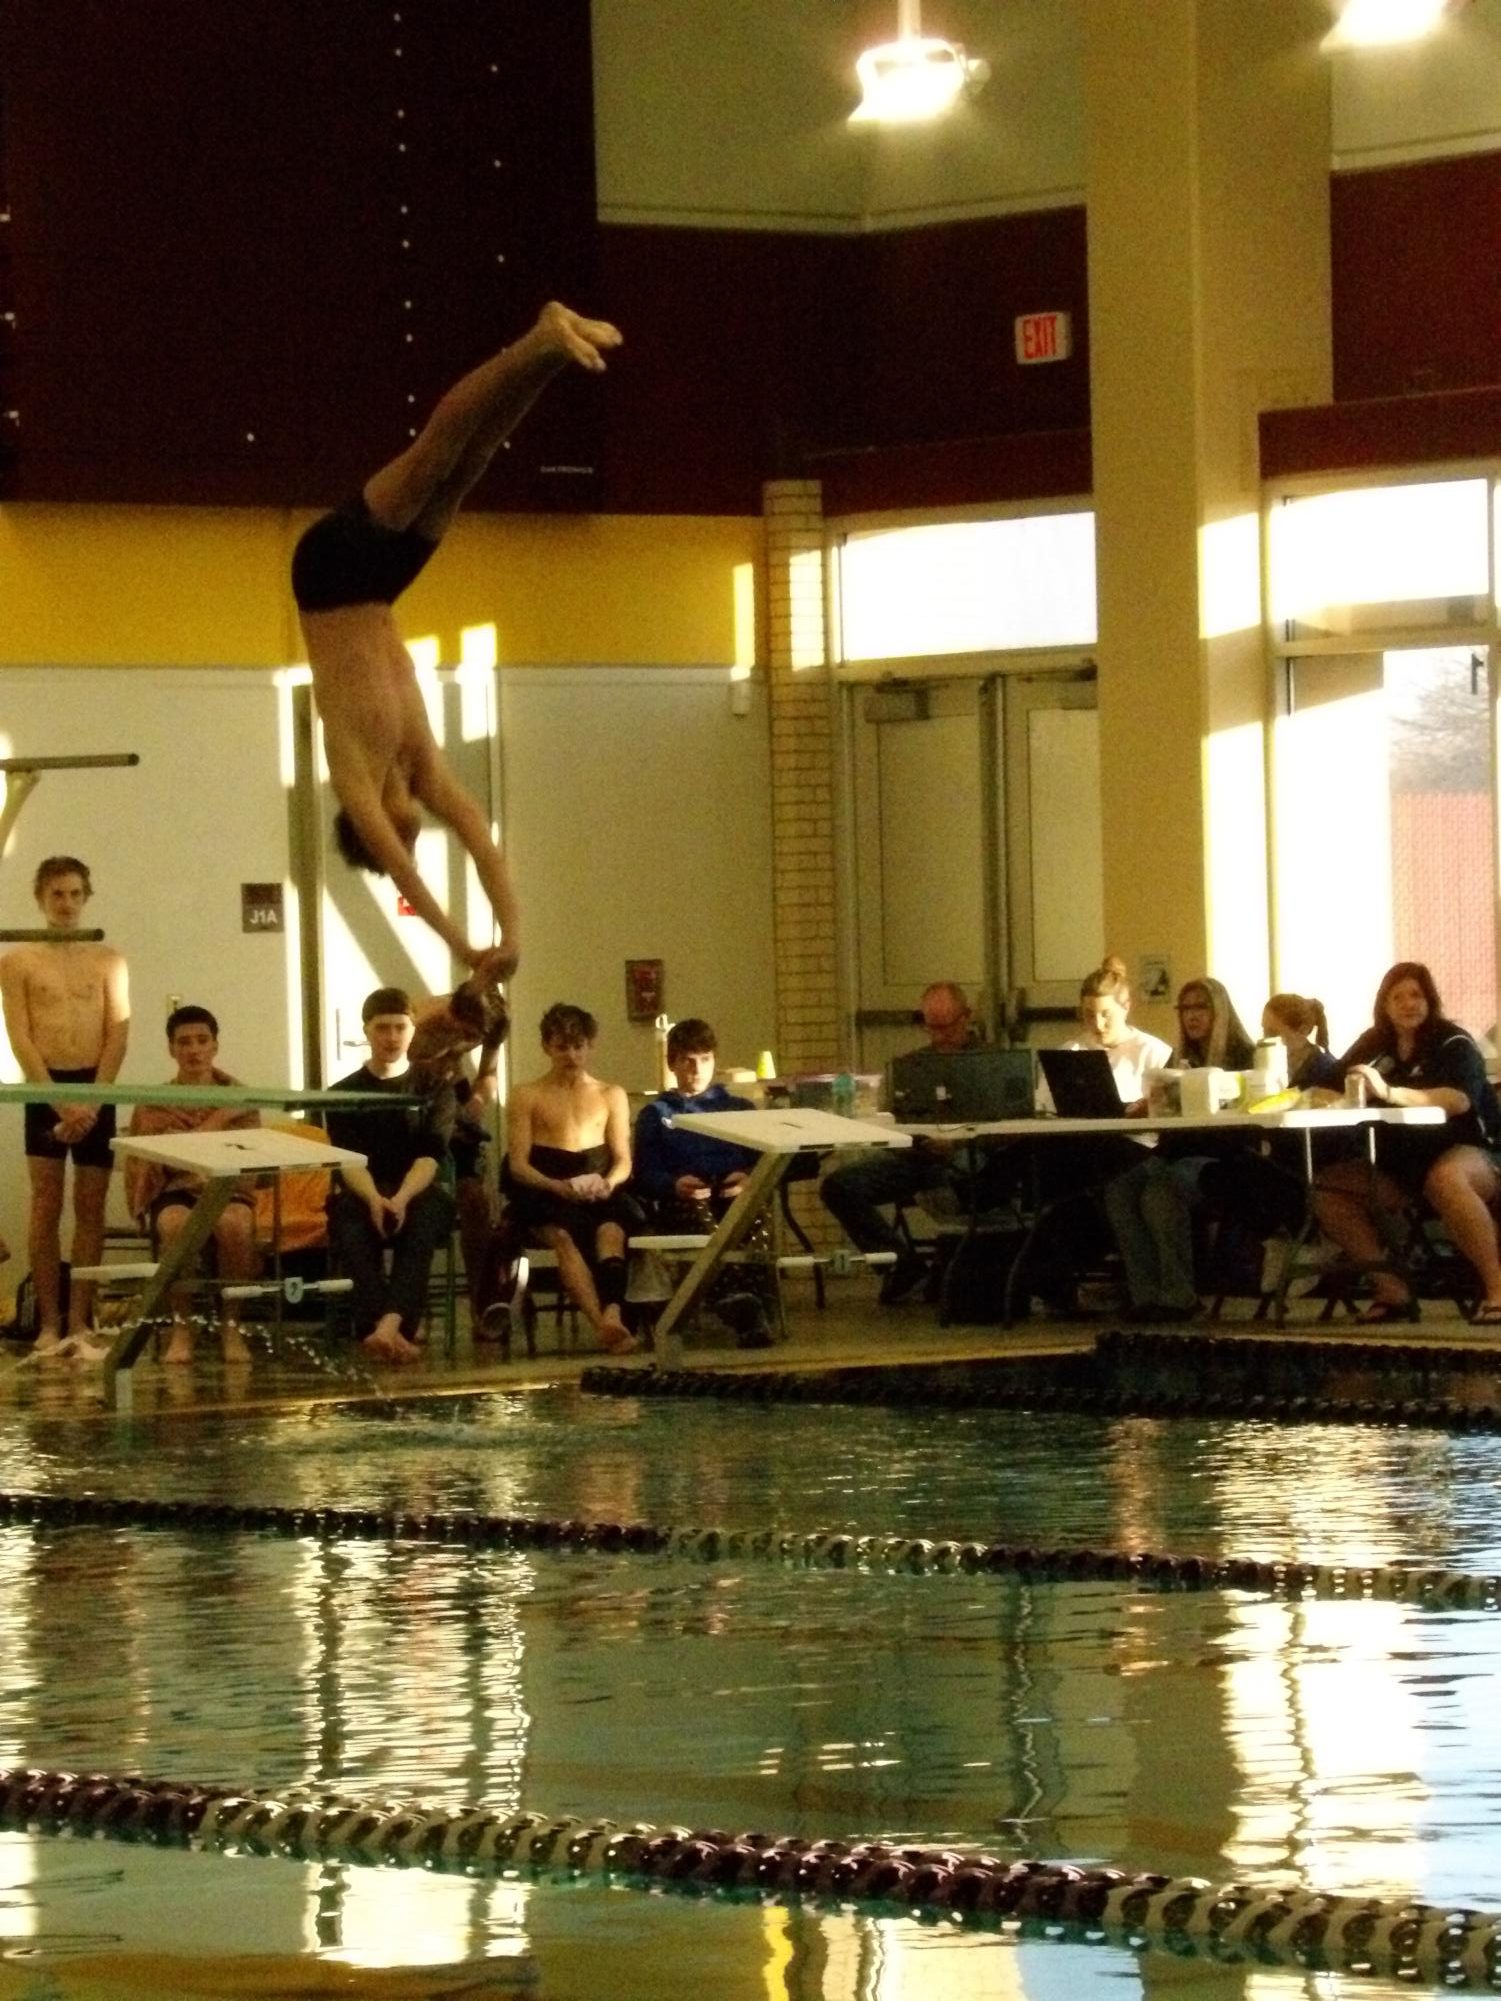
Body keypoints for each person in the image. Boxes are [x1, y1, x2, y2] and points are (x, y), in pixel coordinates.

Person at [292, 301, 622, 975]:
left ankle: (536, 335)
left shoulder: (350, 776)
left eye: (401, 837)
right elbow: (484, 843)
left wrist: (459, 948)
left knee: (433, 454)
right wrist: (512, 932)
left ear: (368, 830)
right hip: (382, 587)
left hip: (328, 572)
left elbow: (405, 881)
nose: (413, 837)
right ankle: (551, 353)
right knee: (469, 463)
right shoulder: (424, 769)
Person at [1315, 961, 1501, 1325]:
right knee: (1326, 1188)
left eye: (1416, 995)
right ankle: (1391, 1289)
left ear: (1430, 1000)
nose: (1407, 1004)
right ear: (1384, 1005)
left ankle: (1497, 1290)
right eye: (1397, 997)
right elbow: (1331, 1083)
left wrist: (1389, 1091)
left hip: (1470, 1152)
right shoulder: (1374, 1042)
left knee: (1445, 1180)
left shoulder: (1453, 1042)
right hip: (1399, 1164)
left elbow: (1458, 1100)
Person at [0, 856, 130, 1359]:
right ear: (40, 899)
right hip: (45, 1088)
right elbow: (20, 1038)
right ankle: (49, 1321)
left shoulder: (109, 960)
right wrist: (59, 1102)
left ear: (87, 897)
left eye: (76, 894)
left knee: (91, 1206)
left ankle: (81, 1319)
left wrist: (92, 1103)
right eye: (58, 894)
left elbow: (118, 1032)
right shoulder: (17, 962)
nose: (68, 904)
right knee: (45, 1205)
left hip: (96, 1089)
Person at [1102, 973, 1254, 1321]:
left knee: (1160, 1191)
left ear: (1220, 1011)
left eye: (1201, 1007)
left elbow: (1240, 1124)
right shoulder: (1178, 1059)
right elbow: (1167, 1117)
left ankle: (1179, 1295)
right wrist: (1148, 1106)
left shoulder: (1243, 1056)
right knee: (1119, 1189)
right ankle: (1145, 1295)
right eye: (1185, 1008)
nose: (1192, 1015)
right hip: (1175, 1153)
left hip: (1221, 1160)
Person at [819, 981, 980, 1303]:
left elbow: (1006, 1128)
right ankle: (903, 1266)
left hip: (971, 1159)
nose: (937, 1037)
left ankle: (941, 1270)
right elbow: (895, 1116)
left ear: (966, 1018)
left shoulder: (992, 1063)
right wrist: (897, 1137)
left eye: (945, 1027)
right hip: (918, 1157)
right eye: (930, 1027)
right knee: (838, 1186)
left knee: (961, 1173)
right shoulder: (911, 1066)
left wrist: (958, 1144)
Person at [323, 987, 457, 1364]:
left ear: (412, 1031)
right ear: (366, 1031)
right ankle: (391, 1329)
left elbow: (429, 1158)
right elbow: (349, 1160)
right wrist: (373, 1200)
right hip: (364, 1186)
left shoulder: (435, 1089)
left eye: (400, 1027)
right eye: (383, 1028)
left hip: (415, 1188)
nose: (392, 1037)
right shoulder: (342, 1094)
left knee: (423, 1219)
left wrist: (399, 1199)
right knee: (350, 1223)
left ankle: (385, 1326)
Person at [123, 1005, 260, 1365]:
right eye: (184, 1042)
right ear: (171, 1049)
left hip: (228, 1188)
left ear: (215, 1045)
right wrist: (215, 1122)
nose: (194, 1049)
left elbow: (249, 1158)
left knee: (235, 1224)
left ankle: (231, 1327)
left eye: (202, 1040)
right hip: (173, 1190)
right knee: (173, 1225)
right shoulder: (154, 1103)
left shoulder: (241, 1098)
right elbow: (148, 1160)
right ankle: (181, 1328)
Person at [503, 1002, 639, 1355]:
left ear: (590, 1047)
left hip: (595, 1184)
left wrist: (609, 1183)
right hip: (544, 1189)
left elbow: (623, 1159)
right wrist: (554, 1186)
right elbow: (518, 1165)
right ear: (547, 1047)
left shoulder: (611, 1094)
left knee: (611, 1232)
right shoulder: (526, 1095)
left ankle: (613, 1312)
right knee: (563, 1237)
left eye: (578, 1046)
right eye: (562, 1046)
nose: (571, 1055)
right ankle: (602, 1325)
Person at [633, 1016, 775, 1348]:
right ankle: (741, 1306)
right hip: (684, 1200)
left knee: (752, 1214)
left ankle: (748, 1301)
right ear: (673, 1063)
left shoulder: (739, 1108)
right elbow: (644, 1174)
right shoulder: (657, 1115)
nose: (697, 1069)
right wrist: (673, 1184)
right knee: (704, 1222)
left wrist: (749, 1178)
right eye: (688, 1060)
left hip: (732, 1192)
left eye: (705, 1059)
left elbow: (764, 1158)